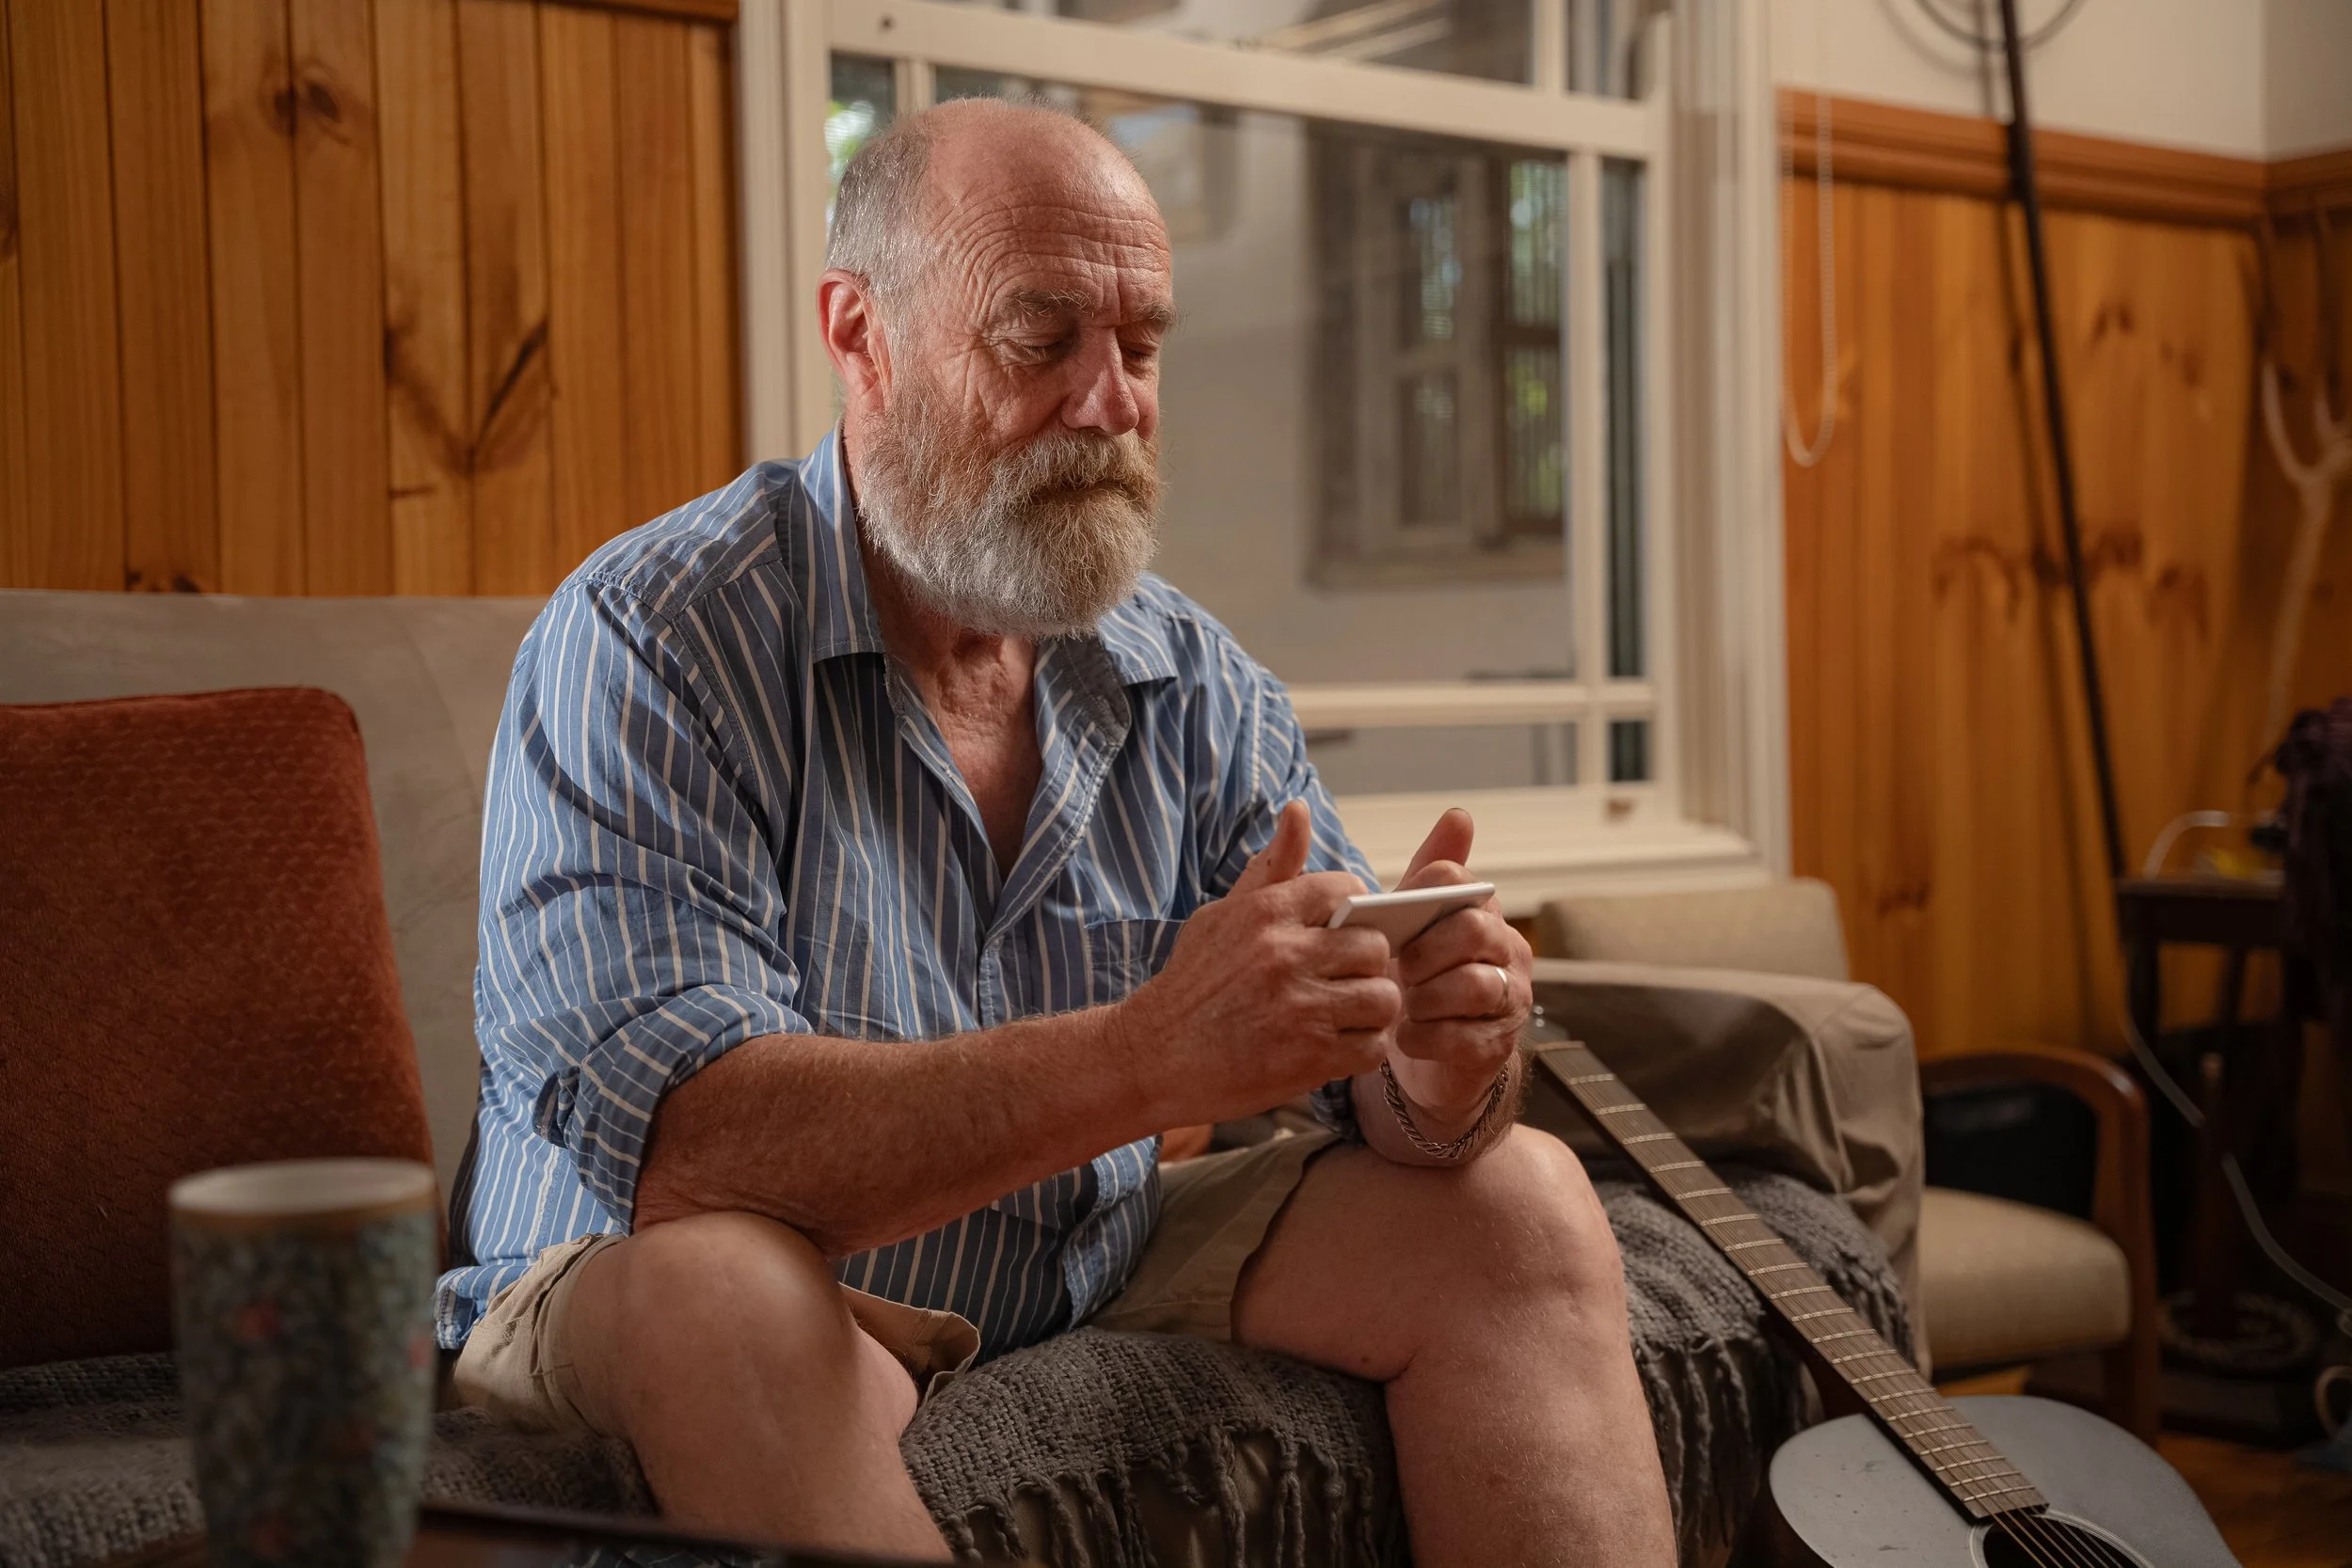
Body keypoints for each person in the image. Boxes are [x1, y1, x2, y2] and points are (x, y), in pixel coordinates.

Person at [438, 97, 1675, 1568]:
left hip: (1079, 1249)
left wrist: (1436, 1062)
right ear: (860, 335)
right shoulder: (653, 639)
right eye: (1042, 341)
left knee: (1520, 1200)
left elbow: (1384, 1101)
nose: (1111, 404)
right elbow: (694, 1153)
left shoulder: (1194, 680)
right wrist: (1158, 1051)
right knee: (725, 1296)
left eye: (1140, 347)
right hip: (643, 1274)